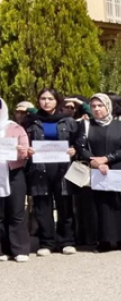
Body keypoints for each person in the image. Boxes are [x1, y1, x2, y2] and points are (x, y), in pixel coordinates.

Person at [74, 94, 121, 252]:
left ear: (108, 107)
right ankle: (103, 241)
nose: (96, 109)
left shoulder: (120, 125)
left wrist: (106, 159)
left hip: (118, 166)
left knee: (119, 203)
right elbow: (81, 147)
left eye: (100, 105)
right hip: (96, 169)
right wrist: (94, 161)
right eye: (93, 106)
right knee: (100, 205)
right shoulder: (86, 125)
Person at [23, 89, 80, 256]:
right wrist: (28, 150)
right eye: (42, 98)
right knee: (42, 207)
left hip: (62, 169)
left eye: (50, 99)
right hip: (39, 169)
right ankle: (46, 242)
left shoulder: (68, 121)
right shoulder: (30, 122)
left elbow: (78, 142)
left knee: (65, 205)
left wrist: (74, 150)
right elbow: (22, 142)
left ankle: (66, 241)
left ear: (57, 101)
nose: (46, 102)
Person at [0, 98, 31, 262]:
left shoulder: (15, 128)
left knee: (16, 211)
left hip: (14, 173)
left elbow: (25, 152)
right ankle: (2, 250)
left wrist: (21, 151)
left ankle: (19, 249)